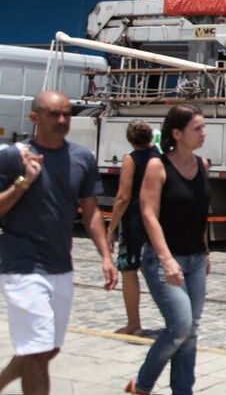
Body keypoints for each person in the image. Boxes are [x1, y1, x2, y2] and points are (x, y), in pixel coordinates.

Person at [0, 91, 118, 395]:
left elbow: (90, 210)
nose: (62, 120)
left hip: (61, 265)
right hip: (22, 265)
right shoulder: (13, 157)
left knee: (46, 349)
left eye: (67, 113)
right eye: (54, 114)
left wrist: (105, 256)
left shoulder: (82, 157)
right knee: (37, 352)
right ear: (34, 118)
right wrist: (24, 182)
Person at [127, 105, 211, 395]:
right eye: (197, 128)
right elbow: (148, 214)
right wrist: (165, 259)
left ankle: (182, 391)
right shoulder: (157, 166)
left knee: (191, 331)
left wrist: (206, 252)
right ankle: (142, 384)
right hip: (164, 259)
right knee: (180, 326)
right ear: (177, 133)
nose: (204, 133)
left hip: (196, 259)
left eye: (203, 127)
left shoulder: (203, 165)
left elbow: (201, 213)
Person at [105, 120, 159, 336]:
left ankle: (133, 323)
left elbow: (123, 197)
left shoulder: (131, 159)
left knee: (129, 270)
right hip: (157, 217)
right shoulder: (160, 157)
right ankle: (175, 319)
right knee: (157, 270)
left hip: (135, 220)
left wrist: (111, 227)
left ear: (130, 139)